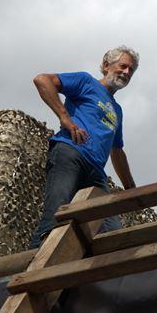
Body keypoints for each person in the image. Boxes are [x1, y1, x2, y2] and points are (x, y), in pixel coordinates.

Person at [29, 46, 139, 248]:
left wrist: (131, 189)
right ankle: (32, 263)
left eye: (131, 70)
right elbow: (42, 80)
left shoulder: (117, 111)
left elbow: (117, 151)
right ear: (106, 65)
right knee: (55, 217)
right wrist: (64, 117)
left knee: (111, 230)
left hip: (95, 173)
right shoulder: (86, 81)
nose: (126, 72)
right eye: (123, 66)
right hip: (70, 154)